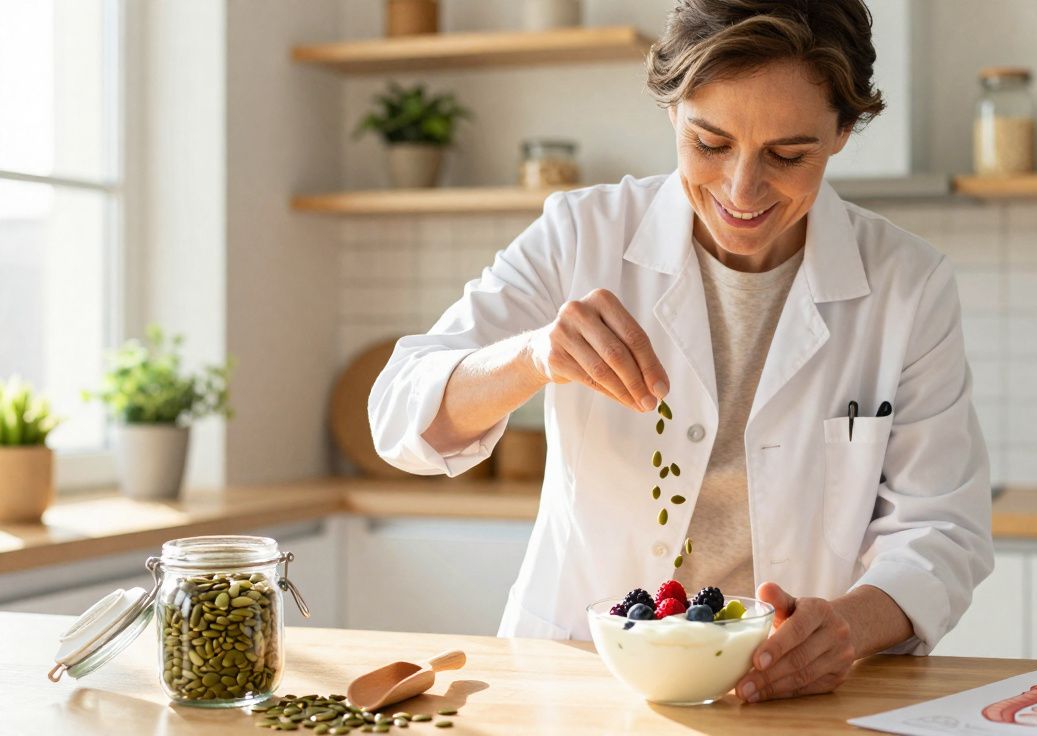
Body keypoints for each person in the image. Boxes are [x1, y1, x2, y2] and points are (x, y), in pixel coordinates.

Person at [369, 0, 992, 703]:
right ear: (672, 111)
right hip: (582, 682)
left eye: (788, 155)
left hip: (790, 690)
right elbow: (400, 417)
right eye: (711, 143)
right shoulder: (581, 235)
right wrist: (533, 357)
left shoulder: (908, 284)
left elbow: (942, 528)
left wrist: (846, 627)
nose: (741, 189)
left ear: (844, 130)